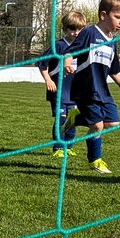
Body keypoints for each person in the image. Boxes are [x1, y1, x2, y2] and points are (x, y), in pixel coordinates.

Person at [64, 0, 120, 175]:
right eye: (118, 17)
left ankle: (76, 118)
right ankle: (94, 161)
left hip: (102, 90)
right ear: (103, 15)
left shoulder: (112, 42)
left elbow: (113, 69)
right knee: (97, 126)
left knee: (113, 123)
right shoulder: (89, 33)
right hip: (85, 88)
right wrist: (67, 63)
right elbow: (70, 51)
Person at [39, 10, 85, 159]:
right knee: (61, 119)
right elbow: (41, 64)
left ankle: (68, 146)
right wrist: (48, 80)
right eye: (72, 29)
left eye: (79, 29)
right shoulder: (58, 46)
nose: (76, 33)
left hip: (74, 92)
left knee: (72, 120)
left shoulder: (83, 47)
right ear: (65, 29)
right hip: (58, 91)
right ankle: (58, 147)